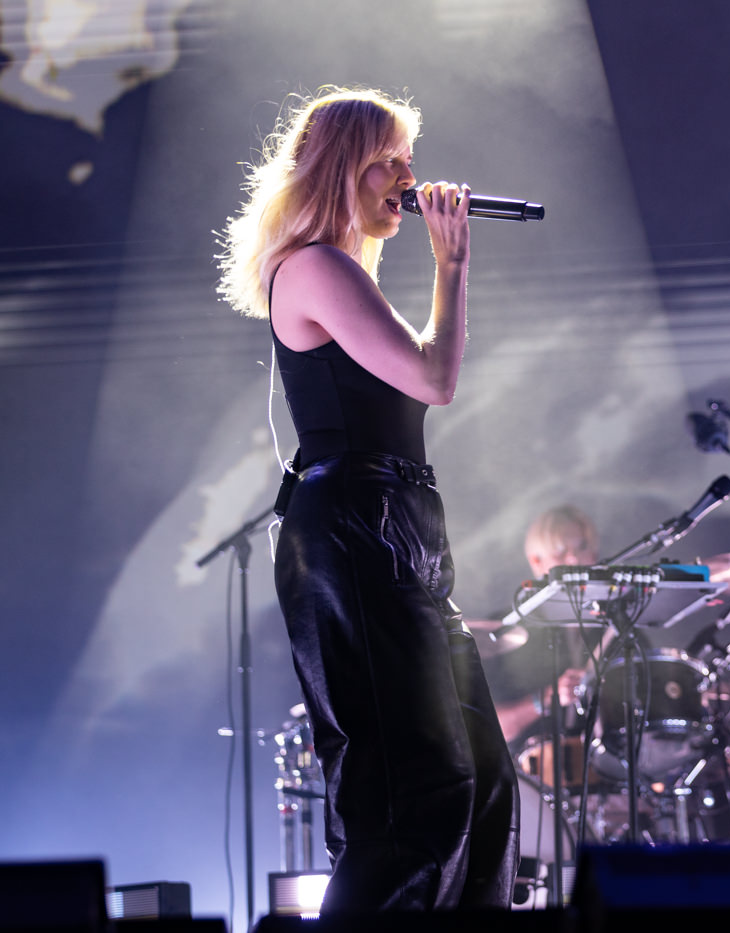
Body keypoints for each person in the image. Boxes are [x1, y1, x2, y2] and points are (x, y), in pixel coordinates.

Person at [216, 86, 518, 911]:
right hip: (353, 529)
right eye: (389, 160)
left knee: (484, 783)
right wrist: (452, 264)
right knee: (413, 790)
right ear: (342, 166)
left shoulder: (345, 272)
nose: (408, 178)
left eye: (409, 160)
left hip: (403, 528)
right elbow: (434, 378)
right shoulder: (315, 266)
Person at [492, 505, 600, 747]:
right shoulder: (506, 628)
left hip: (606, 765)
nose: (573, 560)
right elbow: (490, 728)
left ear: (594, 555)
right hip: (530, 767)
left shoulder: (615, 623)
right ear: (537, 562)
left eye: (581, 548)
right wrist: (546, 699)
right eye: (560, 552)